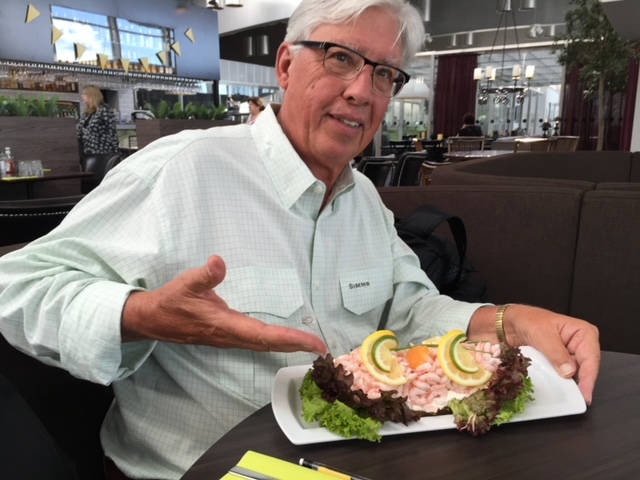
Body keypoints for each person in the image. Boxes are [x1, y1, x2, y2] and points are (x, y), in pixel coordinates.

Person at [0, 1, 599, 479]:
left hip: (356, 461)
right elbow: (17, 286)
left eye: (384, 74)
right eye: (340, 58)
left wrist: (507, 321)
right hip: (197, 468)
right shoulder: (181, 170)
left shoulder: (364, 199)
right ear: (286, 66)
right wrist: (143, 316)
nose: (362, 90)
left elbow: (409, 308)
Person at [76, 85, 119, 158]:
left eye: (84, 94)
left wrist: (115, 151)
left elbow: (112, 132)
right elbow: (79, 130)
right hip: (87, 151)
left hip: (102, 152)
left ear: (91, 95)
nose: (82, 96)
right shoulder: (86, 113)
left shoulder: (104, 110)